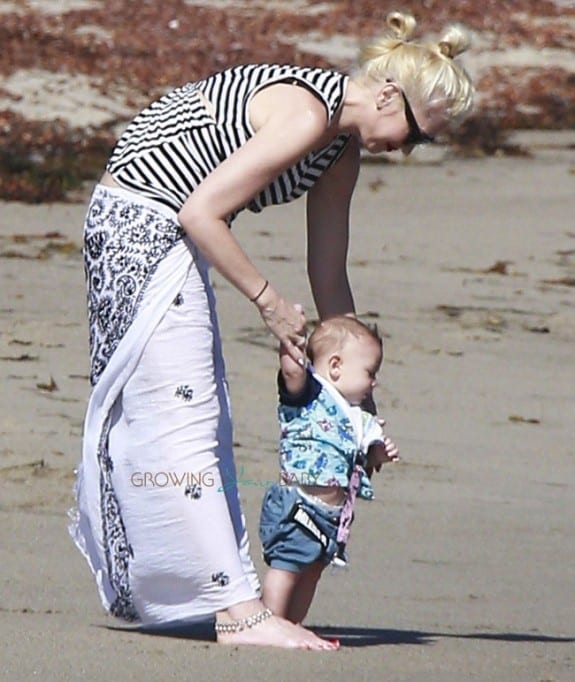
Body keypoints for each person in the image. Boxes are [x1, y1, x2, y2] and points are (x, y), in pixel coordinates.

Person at [69, 10, 473, 649]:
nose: (410, 149)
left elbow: (329, 277)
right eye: (417, 134)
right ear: (390, 97)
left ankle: (189, 593)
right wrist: (265, 299)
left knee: (192, 410)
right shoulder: (309, 112)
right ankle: (235, 611)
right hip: (138, 222)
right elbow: (200, 210)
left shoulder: (337, 150)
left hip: (165, 231)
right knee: (186, 410)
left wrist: (357, 401)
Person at [259, 316, 399, 624]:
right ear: (335, 366)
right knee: (287, 564)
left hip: (332, 517)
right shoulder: (310, 392)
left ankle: (291, 624)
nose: (374, 382)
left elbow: (368, 454)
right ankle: (268, 619)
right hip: (299, 503)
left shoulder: (358, 417)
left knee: (311, 569)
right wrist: (290, 341)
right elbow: (292, 371)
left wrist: (380, 452)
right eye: (370, 372)